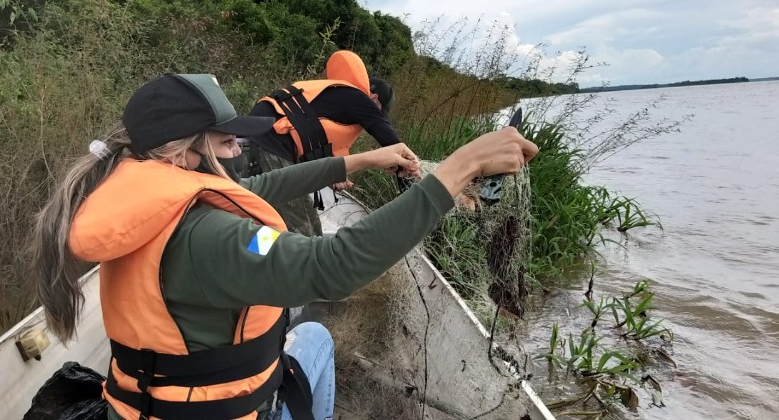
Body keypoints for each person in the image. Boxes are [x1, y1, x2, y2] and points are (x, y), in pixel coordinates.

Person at [30, 73, 537, 420]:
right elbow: (332, 265)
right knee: (313, 337)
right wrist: (457, 170)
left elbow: (259, 191)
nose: (241, 150)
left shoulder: (149, 199)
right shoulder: (207, 236)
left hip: (146, 403)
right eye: (229, 142)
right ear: (186, 152)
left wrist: (357, 161)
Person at [245, 50, 403, 236]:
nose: (374, 114)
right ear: (374, 98)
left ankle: (257, 254)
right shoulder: (357, 96)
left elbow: (307, 150)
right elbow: (391, 141)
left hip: (259, 147)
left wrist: (332, 177)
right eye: (378, 111)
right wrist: (405, 170)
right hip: (266, 150)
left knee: (312, 228)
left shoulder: (332, 98)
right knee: (301, 237)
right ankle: (260, 257)